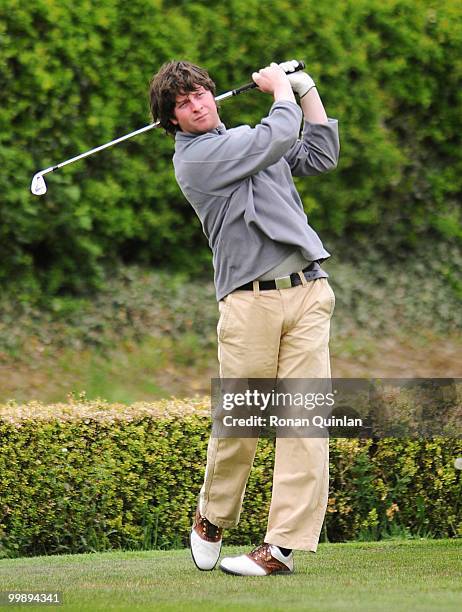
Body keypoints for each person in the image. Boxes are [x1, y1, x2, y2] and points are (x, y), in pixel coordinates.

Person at [149, 59, 339, 576]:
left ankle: (280, 549)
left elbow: (320, 154)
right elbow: (274, 137)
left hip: (306, 292)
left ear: (212, 94)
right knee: (243, 419)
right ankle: (212, 517)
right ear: (172, 122)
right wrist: (279, 91)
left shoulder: (253, 140)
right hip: (247, 302)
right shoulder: (197, 160)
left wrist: (306, 90)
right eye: (183, 104)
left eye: (200, 94)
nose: (198, 105)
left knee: (305, 423)